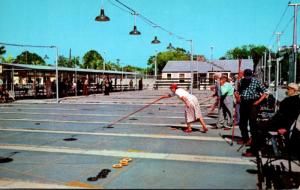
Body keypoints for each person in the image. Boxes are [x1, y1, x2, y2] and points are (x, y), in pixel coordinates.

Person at [244, 83, 300, 157]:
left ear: (294, 90)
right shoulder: (294, 99)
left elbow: (290, 116)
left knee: (259, 127)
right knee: (259, 125)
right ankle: (255, 143)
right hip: (280, 122)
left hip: (282, 124)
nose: (287, 90)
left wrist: (285, 128)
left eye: (288, 89)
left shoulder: (292, 101)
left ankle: (254, 149)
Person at [235, 69, 268, 154]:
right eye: (246, 76)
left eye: (249, 76)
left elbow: (265, 92)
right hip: (243, 103)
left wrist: (258, 101)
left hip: (253, 103)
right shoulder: (241, 81)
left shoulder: (256, 81)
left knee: (252, 123)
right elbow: (237, 91)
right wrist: (237, 96)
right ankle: (245, 138)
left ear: (251, 75)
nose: (247, 78)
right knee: (242, 123)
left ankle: (253, 140)